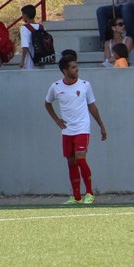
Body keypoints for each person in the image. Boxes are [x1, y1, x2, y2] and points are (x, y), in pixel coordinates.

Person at [44, 55, 107, 205]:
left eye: (76, 66)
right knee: (71, 161)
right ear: (65, 70)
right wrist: (57, 120)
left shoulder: (85, 85)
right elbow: (47, 103)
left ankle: (90, 193)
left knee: (80, 158)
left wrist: (101, 125)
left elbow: (92, 106)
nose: (77, 69)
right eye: (73, 67)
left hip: (82, 128)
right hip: (67, 130)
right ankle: (77, 197)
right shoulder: (56, 86)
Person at [18, 4, 45, 70]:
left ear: (26, 15)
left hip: (30, 61)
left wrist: (22, 61)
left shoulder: (24, 28)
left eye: (22, 14)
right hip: (41, 60)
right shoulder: (41, 27)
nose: (22, 16)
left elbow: (25, 46)